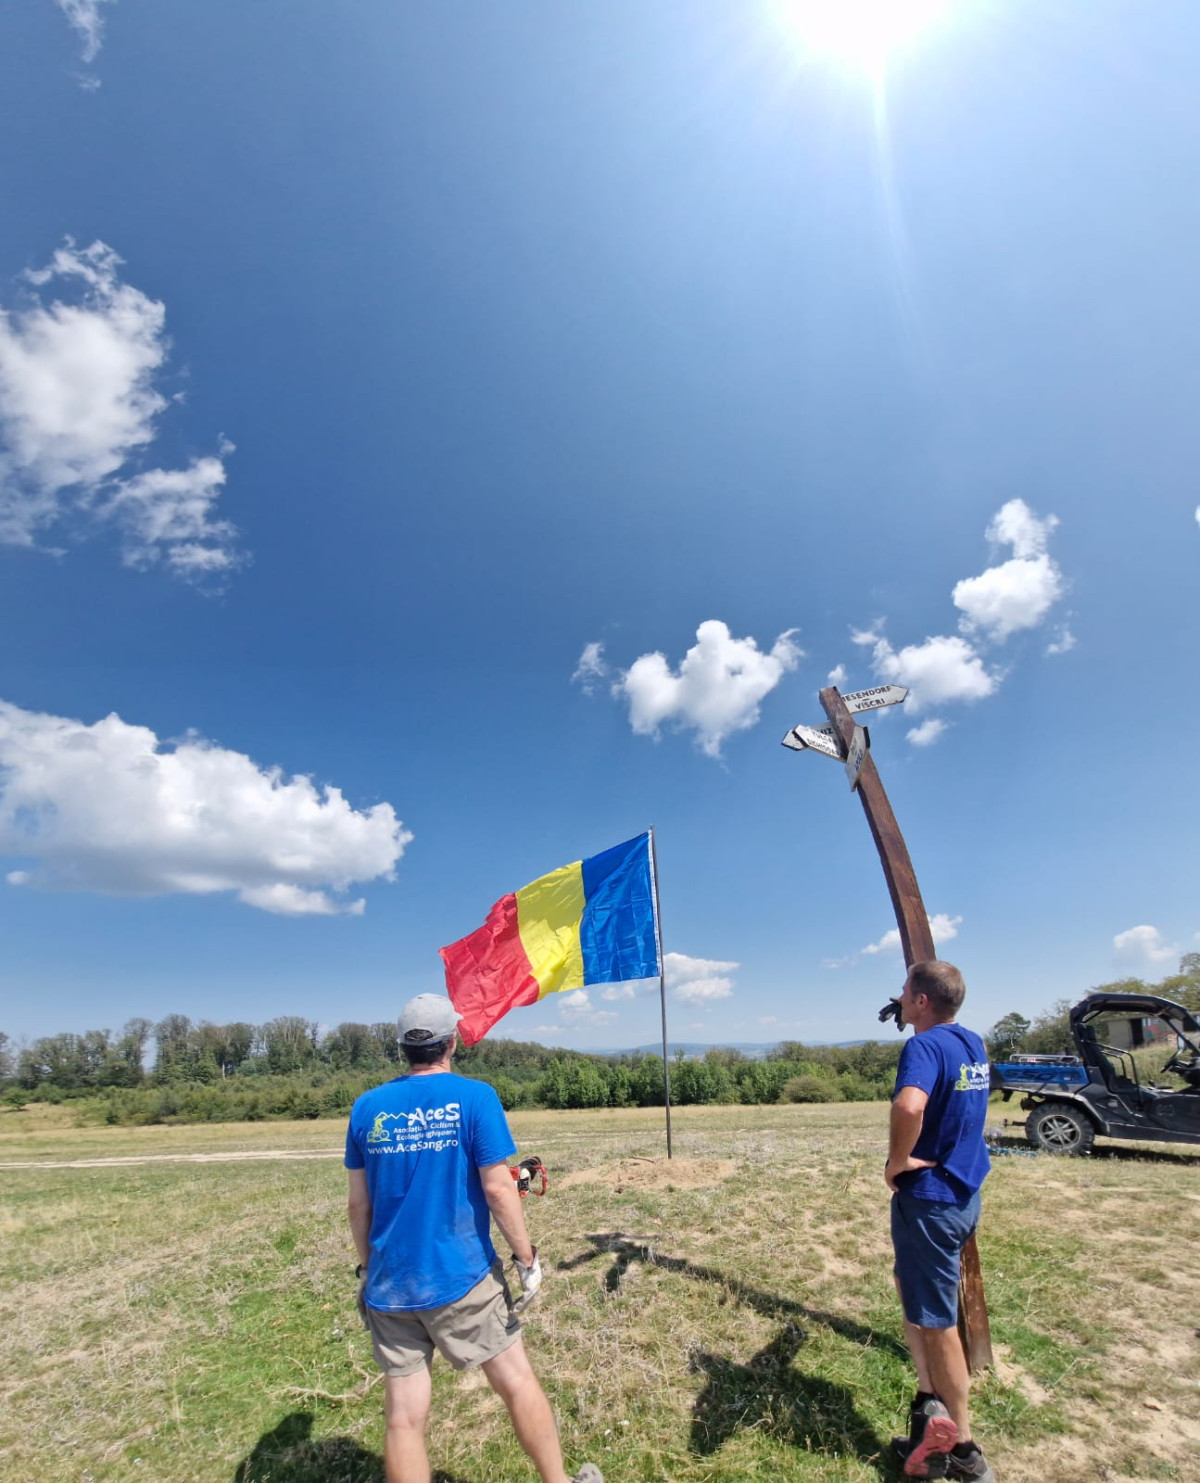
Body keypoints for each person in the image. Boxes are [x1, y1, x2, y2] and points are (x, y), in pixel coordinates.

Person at [346, 992, 602, 1483]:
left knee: (403, 1417)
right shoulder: (475, 1097)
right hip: (461, 1277)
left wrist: (366, 1270)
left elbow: (359, 1205)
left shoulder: (367, 1107)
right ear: (452, 1042)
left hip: (390, 1285)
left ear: (402, 1047)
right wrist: (527, 1259)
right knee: (517, 1382)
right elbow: (498, 1189)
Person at [884, 961, 995, 1483]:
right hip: (964, 1193)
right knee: (909, 1286)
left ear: (923, 1001)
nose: (901, 999)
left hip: (930, 1202)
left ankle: (964, 1451)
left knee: (937, 1322)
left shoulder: (923, 1047)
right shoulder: (972, 1043)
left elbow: (910, 1106)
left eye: (906, 992)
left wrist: (897, 1160)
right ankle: (928, 1410)